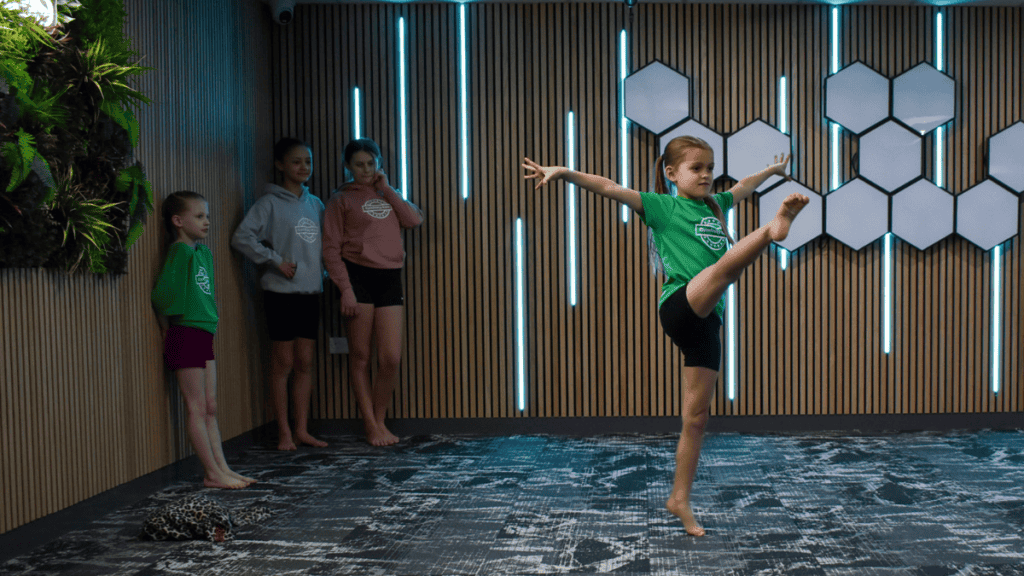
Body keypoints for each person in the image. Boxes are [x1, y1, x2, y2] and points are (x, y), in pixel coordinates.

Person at [523, 136, 807, 536]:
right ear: (672, 174)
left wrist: (772, 172)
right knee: (727, 268)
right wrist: (565, 172)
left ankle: (679, 498)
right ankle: (770, 232)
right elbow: (609, 187)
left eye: (710, 167)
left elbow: (742, 186)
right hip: (679, 305)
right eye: (696, 168)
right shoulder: (663, 207)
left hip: (707, 321)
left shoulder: (715, 205)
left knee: (696, 418)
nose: (706, 175)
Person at [152, 191, 256, 489]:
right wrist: (166, 329)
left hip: (203, 331)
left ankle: (223, 468)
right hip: (184, 332)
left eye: (207, 215)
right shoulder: (179, 252)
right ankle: (211, 472)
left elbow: (205, 295)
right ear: (178, 221)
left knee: (211, 405)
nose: (207, 222)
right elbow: (162, 296)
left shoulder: (203, 253)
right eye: (199, 216)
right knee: (196, 407)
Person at [322, 138, 423, 446]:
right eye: (358, 164)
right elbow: (330, 249)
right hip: (357, 277)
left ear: (379, 164)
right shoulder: (340, 200)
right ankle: (370, 425)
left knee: (390, 357)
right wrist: (346, 290)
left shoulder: (388, 195)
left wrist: (388, 189)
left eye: (370, 163)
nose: (365, 170)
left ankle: (379, 420)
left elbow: (414, 219)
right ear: (348, 167)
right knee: (361, 357)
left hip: (390, 277)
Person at [232, 138, 328, 451]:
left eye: (308, 161)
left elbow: (324, 247)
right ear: (280, 165)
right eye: (297, 161)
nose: (304, 167)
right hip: (280, 293)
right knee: (282, 362)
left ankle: (302, 429)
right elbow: (242, 238)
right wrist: (275, 261)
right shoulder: (268, 204)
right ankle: (283, 431)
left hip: (310, 293)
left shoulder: (315, 205)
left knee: (305, 362)